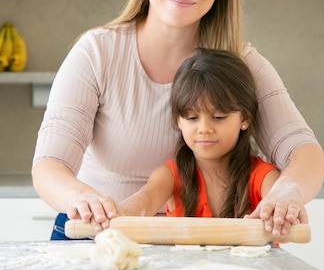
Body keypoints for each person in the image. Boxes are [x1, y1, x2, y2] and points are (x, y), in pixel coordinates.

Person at [31, 0, 324, 240]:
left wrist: (286, 194)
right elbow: (50, 165)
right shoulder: (97, 52)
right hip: (98, 238)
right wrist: (81, 197)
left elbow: (303, 151)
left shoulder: (240, 63)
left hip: (198, 244)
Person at [116, 48, 280, 219]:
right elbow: (145, 200)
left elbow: (278, 201)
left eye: (218, 117)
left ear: (244, 118)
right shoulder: (170, 176)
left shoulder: (264, 177)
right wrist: (118, 213)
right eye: (192, 117)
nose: (204, 128)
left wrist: (275, 211)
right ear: (179, 120)